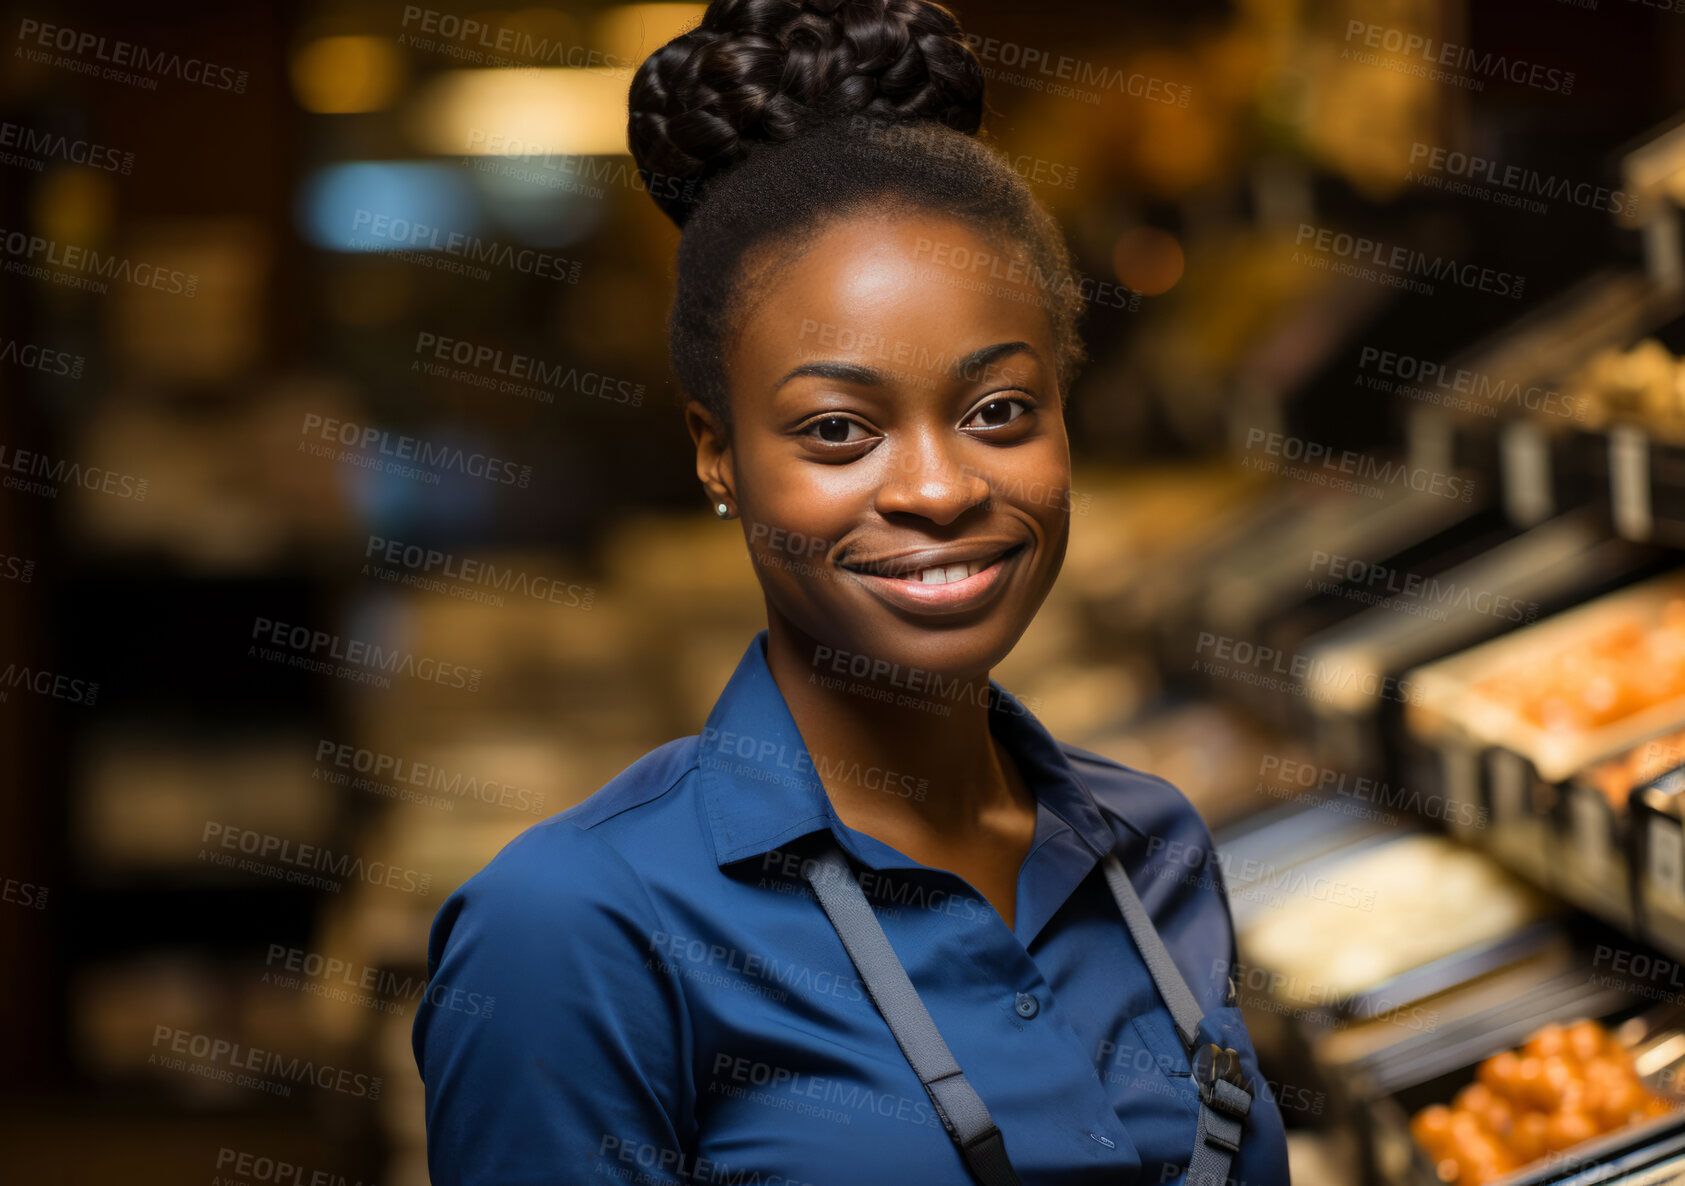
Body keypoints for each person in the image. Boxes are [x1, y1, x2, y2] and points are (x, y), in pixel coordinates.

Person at [413, 1, 1291, 1182]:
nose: (937, 486)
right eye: (838, 429)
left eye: (997, 412)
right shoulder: (573, 931)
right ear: (716, 453)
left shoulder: (1153, 847)